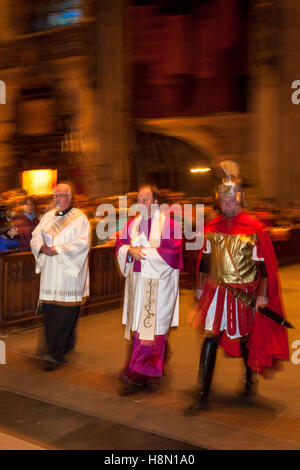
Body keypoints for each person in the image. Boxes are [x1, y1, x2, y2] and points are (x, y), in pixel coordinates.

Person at [185, 161, 289, 415]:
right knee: (211, 337)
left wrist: (263, 294)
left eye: (232, 200)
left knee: (244, 339)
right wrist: (199, 290)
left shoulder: (254, 228)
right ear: (219, 201)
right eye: (224, 199)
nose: (227, 203)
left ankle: (249, 381)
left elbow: (263, 265)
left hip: (245, 293)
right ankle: (202, 394)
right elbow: (205, 261)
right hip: (216, 292)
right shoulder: (212, 227)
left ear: (239, 200)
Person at [116, 185, 183, 396]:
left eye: (145, 200)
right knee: (140, 326)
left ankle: (140, 374)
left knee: (151, 328)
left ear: (155, 202)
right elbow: (120, 245)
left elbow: (173, 253)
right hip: (137, 283)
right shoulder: (131, 225)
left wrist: (143, 253)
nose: (140, 204)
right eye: (138, 200)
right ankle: (144, 367)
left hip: (159, 285)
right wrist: (129, 250)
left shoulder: (170, 225)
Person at [30, 182, 90, 371]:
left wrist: (58, 250)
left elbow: (82, 243)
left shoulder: (80, 218)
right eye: (55, 195)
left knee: (65, 315)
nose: (57, 199)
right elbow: (35, 237)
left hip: (68, 275)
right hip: (50, 274)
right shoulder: (47, 217)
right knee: (50, 313)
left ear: (70, 198)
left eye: (62, 195)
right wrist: (41, 247)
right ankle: (56, 347)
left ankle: (56, 354)